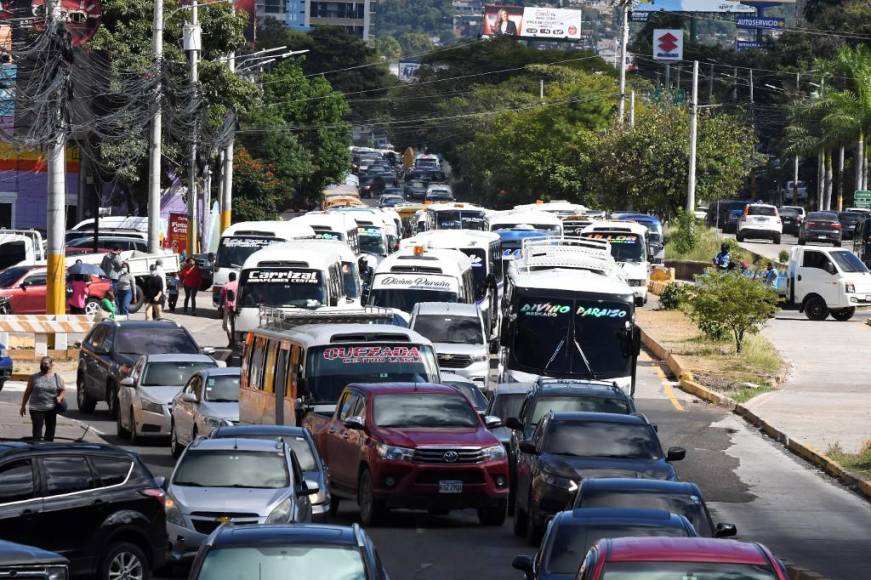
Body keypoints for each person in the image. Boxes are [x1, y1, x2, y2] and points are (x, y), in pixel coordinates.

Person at [19, 356, 65, 442]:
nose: (44, 365)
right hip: (36, 408)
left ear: (51, 365)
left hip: (51, 408)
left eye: (46, 363)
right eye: (42, 363)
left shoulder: (56, 377)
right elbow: (27, 392)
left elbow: (62, 390)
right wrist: (23, 406)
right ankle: (36, 449)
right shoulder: (33, 377)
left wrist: (59, 397)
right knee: (37, 432)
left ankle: (47, 449)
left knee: (50, 431)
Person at [221, 271, 238, 347]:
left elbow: (222, 297)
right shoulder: (239, 285)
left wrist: (220, 306)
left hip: (228, 307)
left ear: (229, 278)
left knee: (227, 325)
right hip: (237, 308)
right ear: (235, 277)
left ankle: (231, 341)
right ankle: (234, 341)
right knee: (235, 324)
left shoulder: (226, 286)